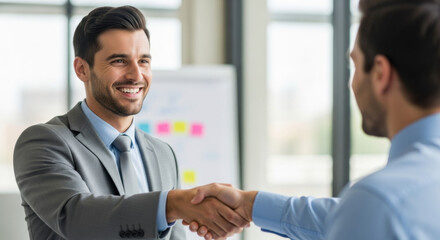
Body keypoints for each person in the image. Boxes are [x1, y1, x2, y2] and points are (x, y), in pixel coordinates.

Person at [187, 0, 440, 239]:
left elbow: (365, 213)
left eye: (354, 65)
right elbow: (345, 217)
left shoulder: (379, 202)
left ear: (380, 74)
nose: (352, 84)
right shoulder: (389, 201)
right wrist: (251, 204)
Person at [13, 6, 248, 240]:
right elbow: (76, 219)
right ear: (82, 69)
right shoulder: (44, 142)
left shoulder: (163, 154)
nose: (136, 75)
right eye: (119, 61)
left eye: (143, 61)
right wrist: (172, 204)